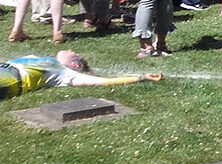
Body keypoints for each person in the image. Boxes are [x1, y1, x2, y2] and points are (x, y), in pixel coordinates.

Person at [0, 51, 161, 99]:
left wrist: (140, 78)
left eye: (74, 54)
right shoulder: (50, 61)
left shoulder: (64, 74)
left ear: (74, 65)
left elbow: (102, 82)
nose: (71, 50)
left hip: (12, 79)